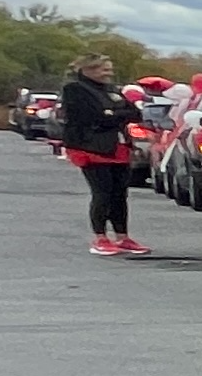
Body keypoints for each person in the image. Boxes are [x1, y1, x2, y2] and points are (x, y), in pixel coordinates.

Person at [57, 53, 147, 257]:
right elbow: (93, 117)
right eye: (103, 69)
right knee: (102, 192)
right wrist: (114, 114)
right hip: (91, 147)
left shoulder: (111, 90)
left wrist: (112, 114)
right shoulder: (75, 89)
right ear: (87, 69)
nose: (109, 72)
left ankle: (122, 236)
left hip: (118, 146)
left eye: (109, 68)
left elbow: (134, 113)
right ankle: (100, 237)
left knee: (120, 194)